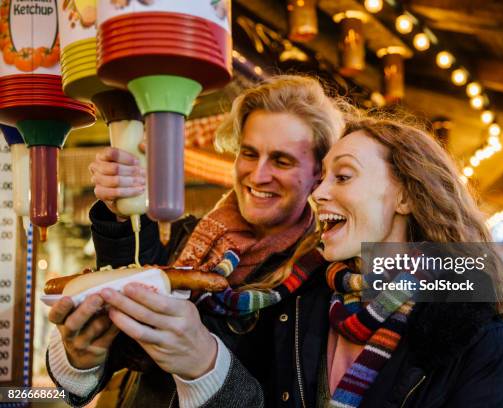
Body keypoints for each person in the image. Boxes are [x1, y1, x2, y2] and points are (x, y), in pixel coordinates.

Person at [149, 114, 503, 407]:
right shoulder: (292, 303)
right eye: (321, 177)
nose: (319, 192)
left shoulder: (475, 333)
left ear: (405, 198)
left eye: (342, 177)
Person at [45, 75, 345, 407]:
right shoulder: (182, 236)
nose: (258, 175)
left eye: (282, 160)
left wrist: (205, 366)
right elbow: (100, 367)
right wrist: (80, 356)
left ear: (319, 173)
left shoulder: (327, 277)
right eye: (248, 153)